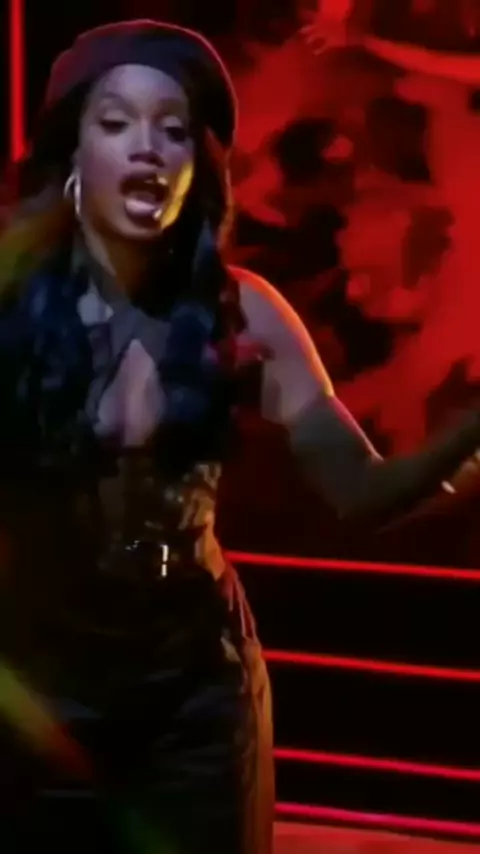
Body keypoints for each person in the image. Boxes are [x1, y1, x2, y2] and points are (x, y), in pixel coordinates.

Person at [1, 18, 480, 854]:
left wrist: (470, 431)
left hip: (196, 696)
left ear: (200, 165)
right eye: (116, 123)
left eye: (174, 129)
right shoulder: (12, 304)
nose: (148, 148)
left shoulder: (243, 309)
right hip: (44, 698)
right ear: (74, 153)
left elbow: (362, 493)